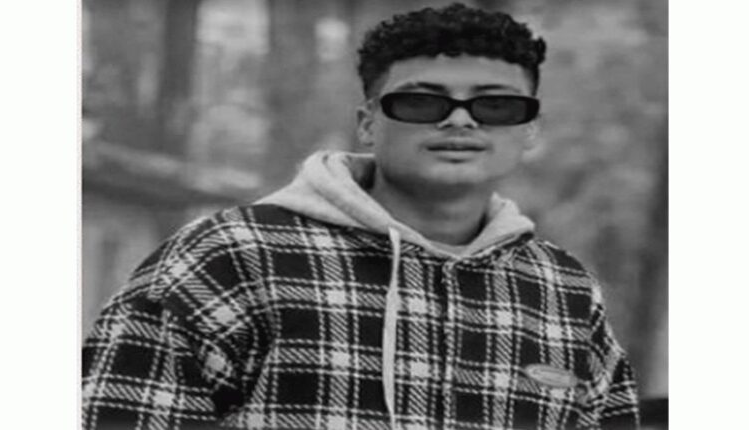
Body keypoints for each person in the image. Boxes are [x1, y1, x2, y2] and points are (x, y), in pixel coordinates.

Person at [82, 3, 639, 429]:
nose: (460, 122)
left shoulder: (563, 288)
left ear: (530, 129)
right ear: (368, 123)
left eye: (496, 105)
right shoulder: (233, 257)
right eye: (422, 102)